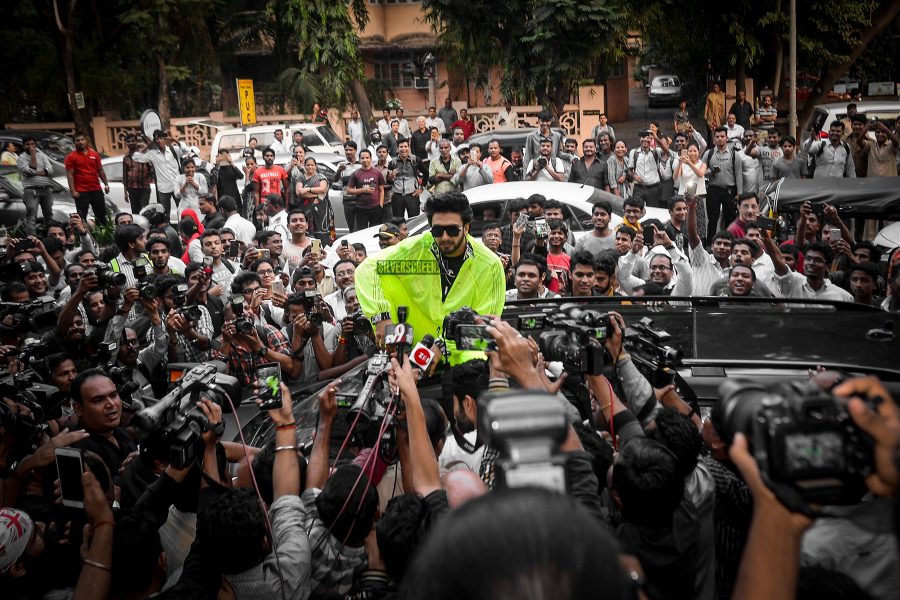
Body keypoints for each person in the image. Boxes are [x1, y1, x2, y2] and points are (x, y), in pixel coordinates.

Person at [355, 192, 505, 358]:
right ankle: (399, 352)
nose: (445, 237)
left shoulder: (490, 265)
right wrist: (381, 316)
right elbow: (366, 270)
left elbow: (485, 331)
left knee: (478, 354)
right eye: (438, 230)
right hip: (420, 337)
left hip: (462, 348)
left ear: (467, 228)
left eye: (453, 230)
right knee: (382, 274)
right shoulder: (417, 248)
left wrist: (443, 346)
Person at [131, 129, 182, 221]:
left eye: (161, 138)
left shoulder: (173, 150)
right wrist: (147, 146)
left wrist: (174, 139)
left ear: (164, 139)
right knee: (165, 214)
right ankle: (167, 231)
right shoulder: (152, 154)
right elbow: (136, 157)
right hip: (163, 189)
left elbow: (186, 150)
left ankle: (183, 229)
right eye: (156, 139)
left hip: (178, 186)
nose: (159, 140)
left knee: (182, 210)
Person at [703, 126, 742, 245]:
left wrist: (739, 193)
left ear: (727, 138)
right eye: (717, 137)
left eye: (722, 136)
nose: (720, 139)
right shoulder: (709, 154)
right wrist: (711, 172)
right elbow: (702, 172)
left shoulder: (734, 155)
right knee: (712, 219)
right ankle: (710, 244)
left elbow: (739, 174)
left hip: (730, 190)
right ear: (714, 138)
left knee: (730, 218)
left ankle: (731, 243)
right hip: (713, 190)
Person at [65, 132, 110, 224]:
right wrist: (73, 191)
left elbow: (100, 170)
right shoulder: (71, 157)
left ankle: (102, 237)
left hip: (96, 189)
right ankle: (83, 236)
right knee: (81, 217)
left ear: (86, 141)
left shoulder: (95, 154)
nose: (80, 142)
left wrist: (106, 184)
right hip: (81, 192)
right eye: (77, 140)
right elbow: (70, 175)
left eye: (82, 140)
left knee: (101, 215)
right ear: (74, 142)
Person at [16, 136, 55, 236]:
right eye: (27, 144)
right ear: (23, 146)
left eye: (32, 144)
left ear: (35, 144)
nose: (30, 146)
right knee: (32, 216)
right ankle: (32, 240)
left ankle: (51, 238)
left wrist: (36, 173)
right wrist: (33, 155)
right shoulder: (21, 158)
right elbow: (31, 170)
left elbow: (50, 170)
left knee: (49, 215)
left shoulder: (42, 155)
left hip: (46, 189)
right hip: (31, 191)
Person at [347, 148, 386, 229]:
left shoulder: (377, 172)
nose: (365, 160)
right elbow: (349, 190)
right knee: (362, 232)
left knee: (375, 232)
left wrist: (381, 205)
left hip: (376, 208)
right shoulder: (356, 173)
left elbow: (381, 190)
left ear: (371, 159)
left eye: (367, 158)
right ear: (359, 160)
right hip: (361, 208)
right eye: (362, 158)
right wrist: (363, 190)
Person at [628, 130, 668, 208]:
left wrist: (656, 137)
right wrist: (635, 176)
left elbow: (666, 150)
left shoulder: (656, 151)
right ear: (640, 138)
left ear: (651, 140)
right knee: (636, 208)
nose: (645, 139)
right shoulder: (634, 152)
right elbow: (629, 170)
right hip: (639, 188)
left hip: (654, 188)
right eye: (643, 137)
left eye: (648, 138)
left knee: (654, 210)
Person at [388, 139, 422, 219]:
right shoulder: (392, 162)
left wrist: (421, 189)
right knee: (398, 221)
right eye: (401, 147)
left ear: (409, 147)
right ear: (397, 149)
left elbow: (426, 173)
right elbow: (388, 181)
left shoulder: (415, 160)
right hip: (397, 195)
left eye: (406, 146)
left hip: (412, 194)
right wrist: (391, 178)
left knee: (414, 220)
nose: (403, 149)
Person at [121, 134, 154, 214]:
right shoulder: (126, 158)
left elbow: (152, 169)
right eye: (128, 141)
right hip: (132, 188)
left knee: (144, 210)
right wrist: (125, 192)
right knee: (135, 211)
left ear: (136, 142)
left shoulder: (144, 154)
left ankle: (145, 226)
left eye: (133, 141)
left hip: (144, 187)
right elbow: (125, 175)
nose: (131, 143)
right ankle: (137, 226)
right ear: (126, 144)